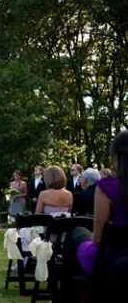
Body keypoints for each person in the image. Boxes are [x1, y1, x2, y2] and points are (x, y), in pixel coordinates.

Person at [62, 130, 128, 303]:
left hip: (109, 260)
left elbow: (98, 238)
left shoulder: (108, 187)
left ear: (116, 157)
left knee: (77, 234)